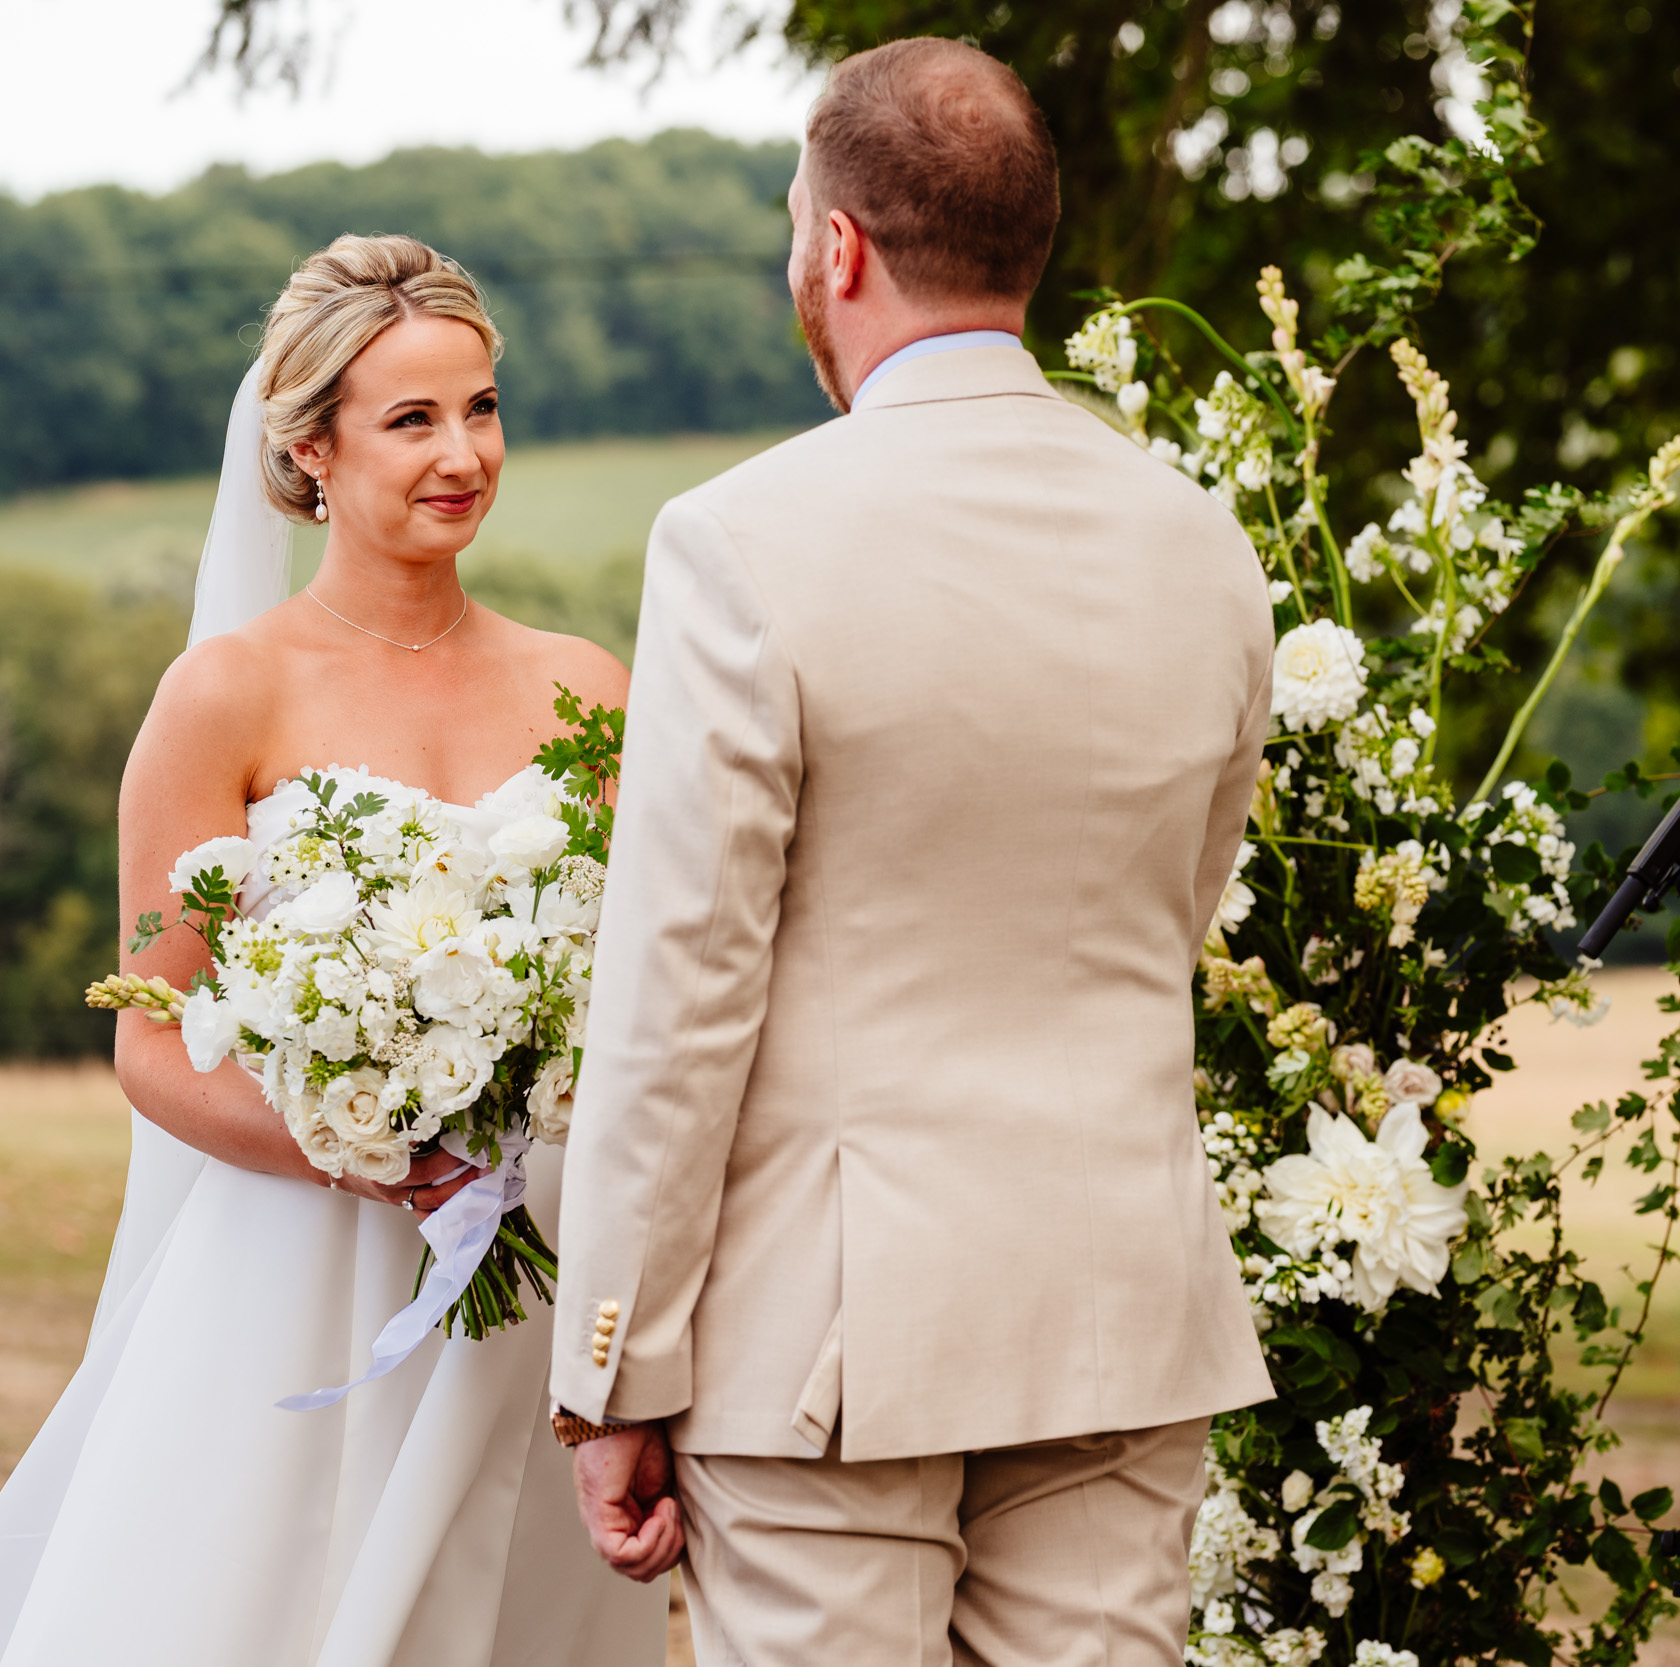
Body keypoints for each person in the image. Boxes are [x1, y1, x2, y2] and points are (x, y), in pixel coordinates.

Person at [547, 35, 1276, 1666]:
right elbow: (1179, 905)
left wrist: (615, 1364)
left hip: (829, 1345)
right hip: (1117, 1299)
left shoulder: (739, 543)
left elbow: (680, 992)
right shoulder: (1201, 544)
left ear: (839, 248)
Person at [0, 234, 666, 1665]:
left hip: (538, 1270)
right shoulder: (223, 698)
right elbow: (149, 1034)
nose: (464, 455)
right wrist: (369, 1149)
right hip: (303, 1266)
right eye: (413, 419)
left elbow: (652, 995)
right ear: (309, 448)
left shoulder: (588, 688)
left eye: (482, 408)